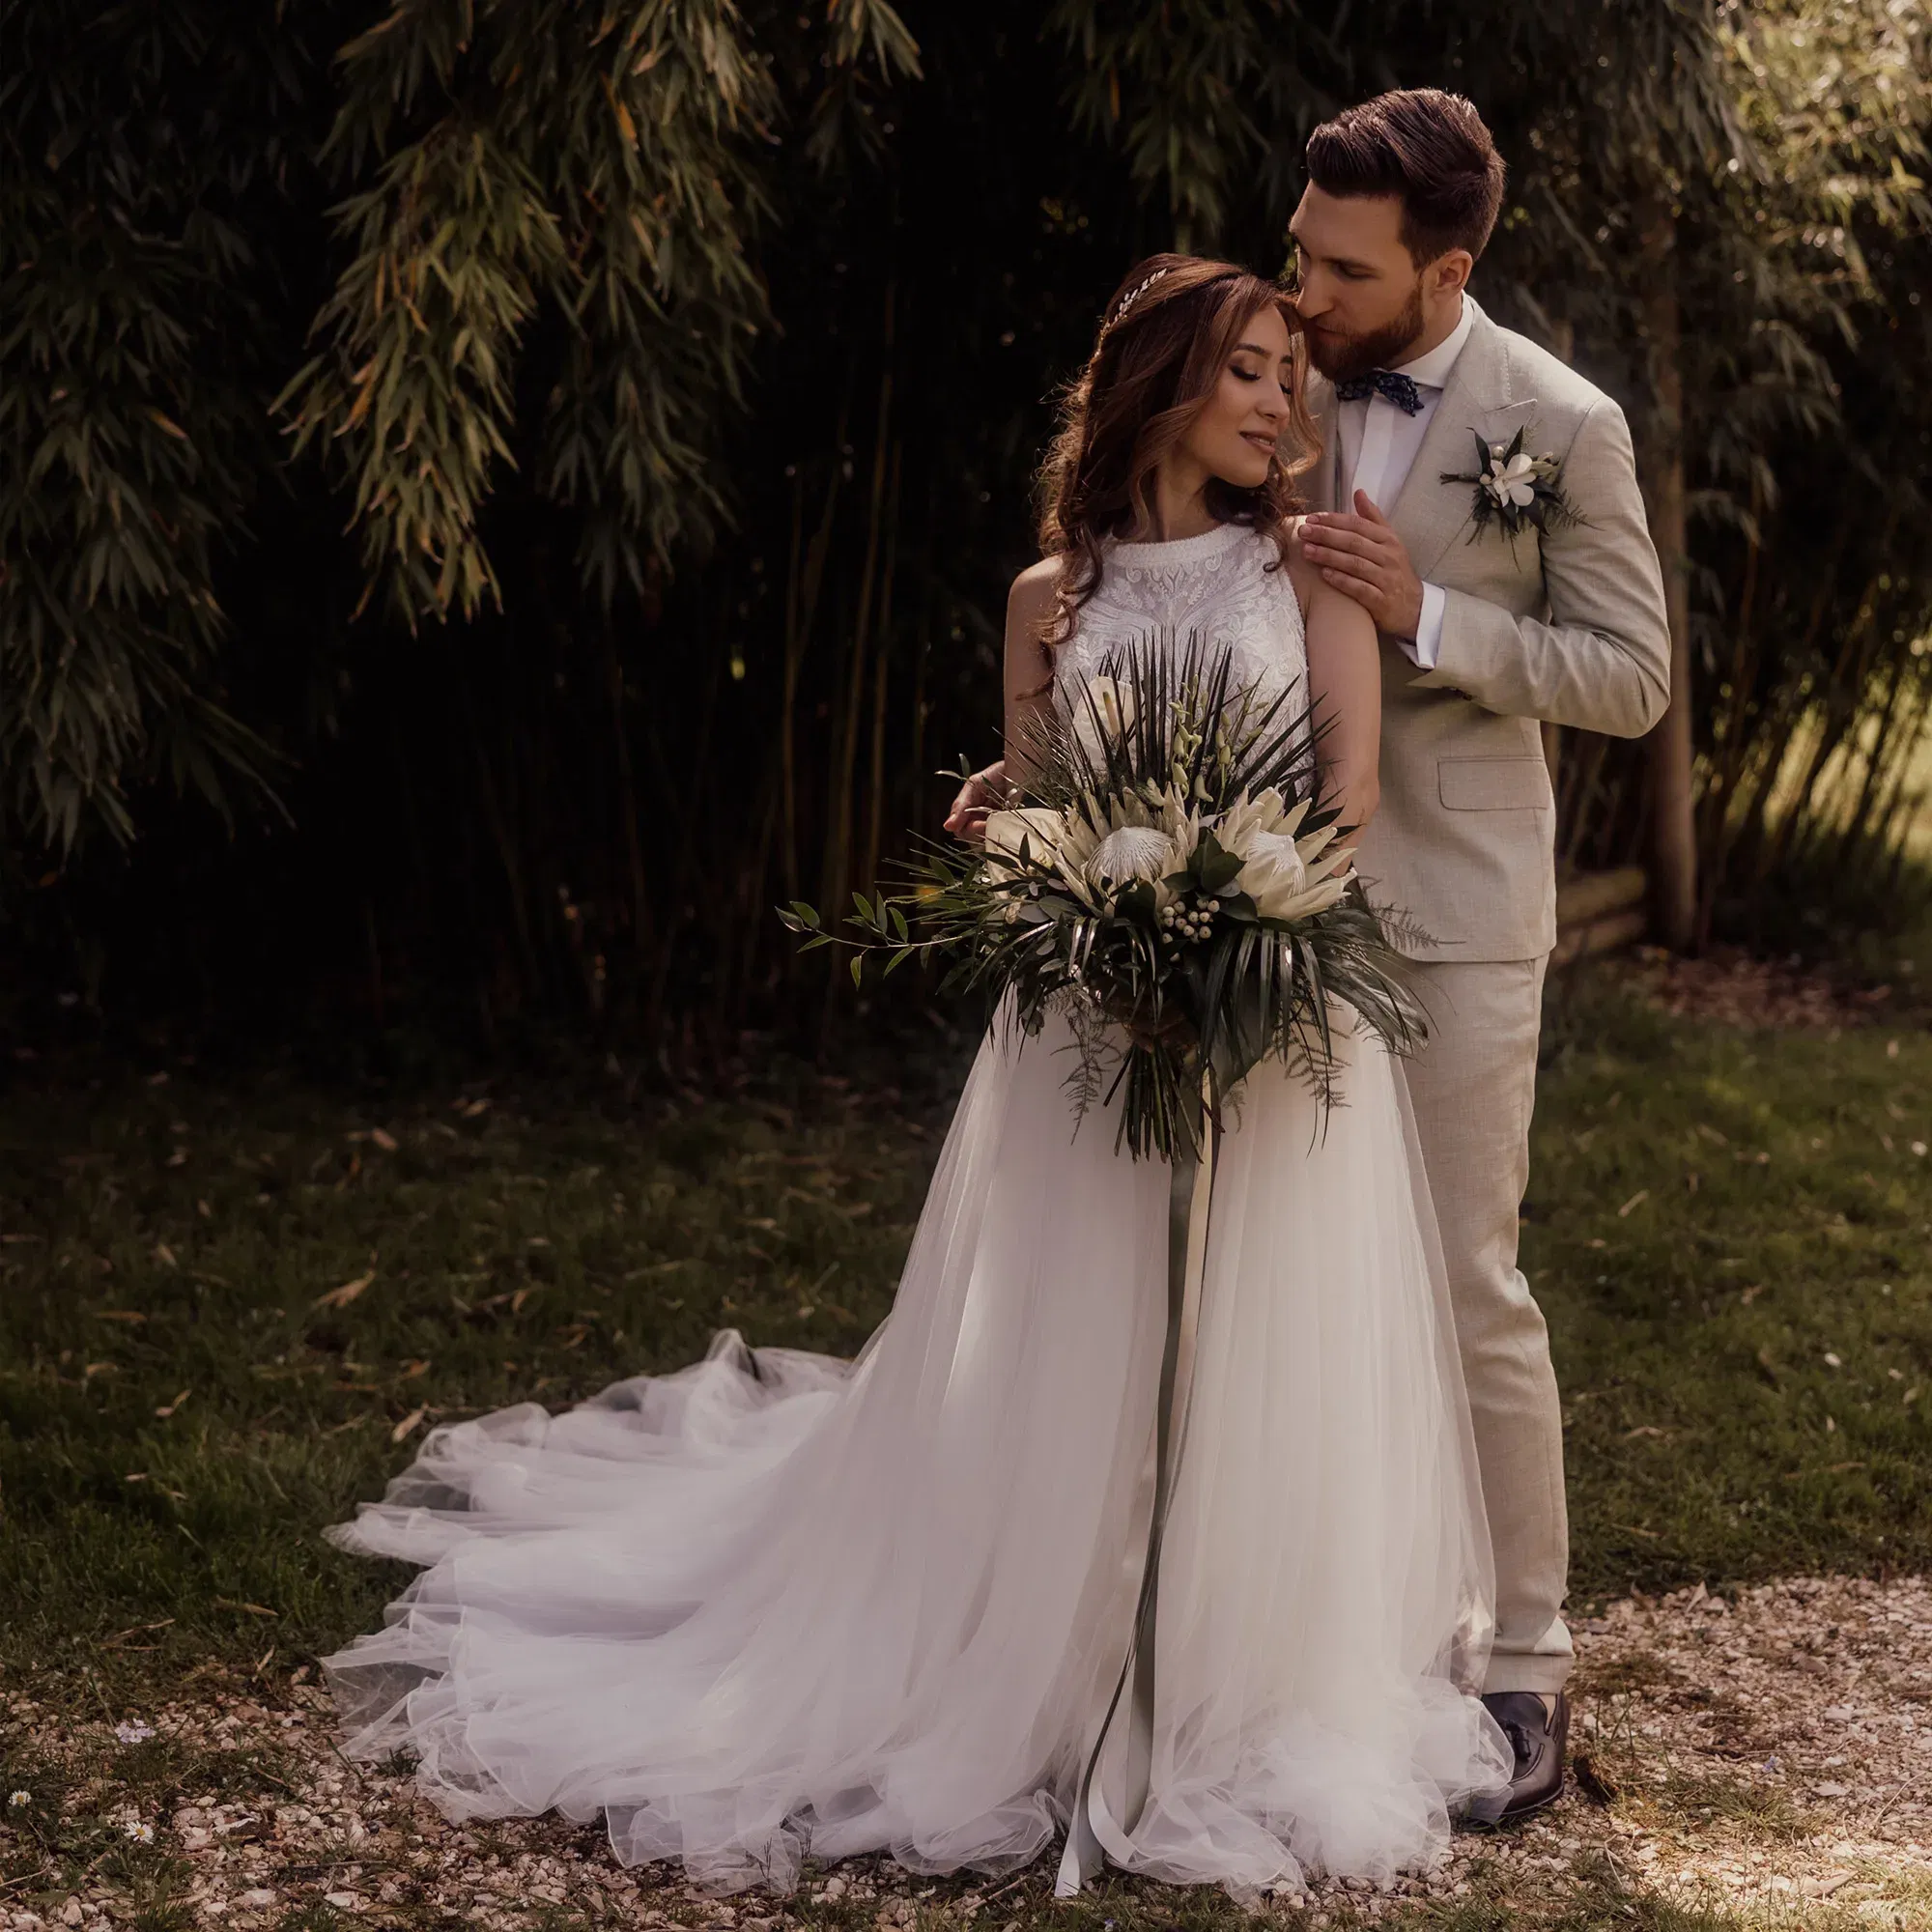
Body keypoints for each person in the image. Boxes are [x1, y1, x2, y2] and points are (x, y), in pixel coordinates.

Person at [324, 254, 1515, 1905]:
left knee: (1260, 1348)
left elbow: (1350, 792)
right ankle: (1027, 1656)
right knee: (1068, 1339)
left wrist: (1226, 941)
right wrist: (1080, 898)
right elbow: (1041, 808)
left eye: (1287, 376)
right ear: (1164, 379)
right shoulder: (1050, 601)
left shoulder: (1311, 574)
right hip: (1088, 1034)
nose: (1277, 402)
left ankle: (1233, 1680)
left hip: (1267, 1016)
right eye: (1246, 368)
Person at [952, 89, 1673, 1821]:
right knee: (1252, 1290)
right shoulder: (1273, 374)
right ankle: (1273, 1636)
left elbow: (1633, 678)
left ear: (1451, 266)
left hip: (1444, 916)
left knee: (1463, 1282)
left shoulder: (1558, 427)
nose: (1309, 290)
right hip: (1225, 910)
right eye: (1300, 254)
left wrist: (1425, 611)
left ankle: (1523, 1666)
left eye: (1345, 268)